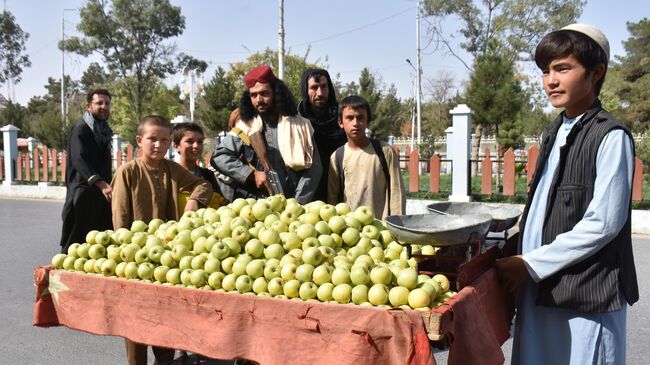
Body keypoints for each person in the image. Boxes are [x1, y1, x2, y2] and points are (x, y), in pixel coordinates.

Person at [495, 24, 639, 365]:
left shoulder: (610, 136)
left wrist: (530, 263)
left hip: (585, 298)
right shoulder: (553, 132)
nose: (550, 81)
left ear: (596, 72)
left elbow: (603, 223)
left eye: (562, 68)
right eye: (546, 71)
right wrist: (517, 246)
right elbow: (544, 205)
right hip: (540, 290)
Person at [111, 115, 212, 365]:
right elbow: (120, 217)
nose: (158, 145)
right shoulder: (127, 172)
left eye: (164, 140)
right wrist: (126, 252)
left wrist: (193, 200)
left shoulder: (171, 170)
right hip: (134, 256)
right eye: (152, 139)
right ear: (139, 141)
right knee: (135, 324)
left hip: (168, 256)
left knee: (165, 321)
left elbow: (203, 185)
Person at [212, 65, 322, 204]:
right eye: (253, 95)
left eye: (264, 93)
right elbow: (220, 157)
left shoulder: (301, 126)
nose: (258, 100)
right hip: (257, 205)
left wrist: (297, 203)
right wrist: (252, 174)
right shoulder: (246, 127)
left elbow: (314, 170)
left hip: (295, 205)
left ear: (276, 92)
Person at [327, 95, 405, 219]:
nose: (355, 123)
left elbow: (397, 192)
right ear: (340, 122)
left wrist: (398, 226)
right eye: (349, 118)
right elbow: (332, 199)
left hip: (381, 229)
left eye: (360, 117)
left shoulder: (384, 151)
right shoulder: (337, 157)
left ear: (367, 121)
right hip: (350, 231)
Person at [59, 89, 113, 253]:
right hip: (83, 192)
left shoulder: (103, 129)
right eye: (99, 103)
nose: (104, 106)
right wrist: (101, 183)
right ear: (89, 106)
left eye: (107, 103)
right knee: (77, 239)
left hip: (99, 193)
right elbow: (79, 159)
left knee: (99, 240)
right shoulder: (81, 128)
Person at [298, 69, 347, 202]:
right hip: (308, 194)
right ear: (305, 91)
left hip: (342, 191)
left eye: (324, 87)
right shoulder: (297, 123)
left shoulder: (344, 119)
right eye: (314, 87)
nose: (320, 93)